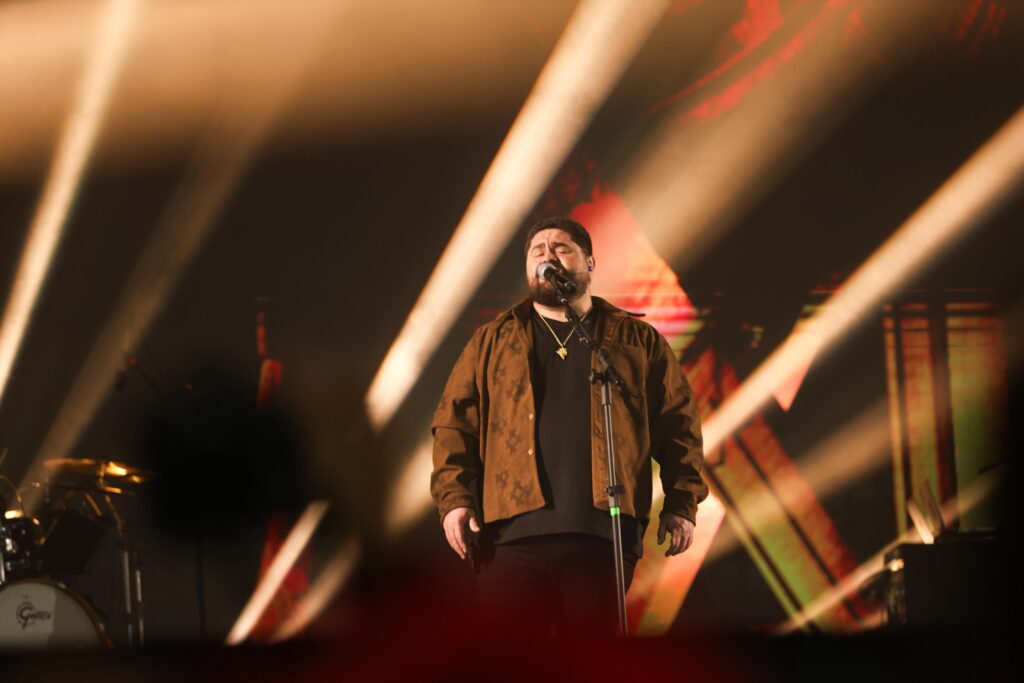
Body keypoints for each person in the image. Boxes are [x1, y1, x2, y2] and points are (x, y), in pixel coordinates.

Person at [430, 216, 707, 636]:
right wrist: (454, 498)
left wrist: (681, 503)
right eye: (537, 251)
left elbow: (678, 424)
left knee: (593, 662)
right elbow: (454, 422)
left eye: (560, 248)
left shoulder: (636, 340)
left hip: (602, 533)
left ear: (589, 263)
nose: (547, 256)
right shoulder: (492, 340)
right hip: (508, 536)